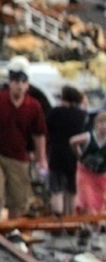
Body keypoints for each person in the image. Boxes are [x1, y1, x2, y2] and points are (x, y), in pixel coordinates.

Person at [0, 56, 48, 221]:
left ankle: (13, 230)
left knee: (19, 200)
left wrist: (41, 159)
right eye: (15, 81)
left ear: (27, 85)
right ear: (9, 82)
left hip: (19, 157)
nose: (18, 85)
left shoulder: (33, 107)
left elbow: (39, 134)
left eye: (22, 82)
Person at [47, 86, 88, 216]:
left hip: (56, 153)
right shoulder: (81, 115)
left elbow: (46, 130)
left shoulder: (54, 112)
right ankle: (72, 219)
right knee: (72, 189)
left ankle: (58, 219)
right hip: (74, 154)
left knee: (56, 189)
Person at [72, 110, 106, 214]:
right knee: (88, 198)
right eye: (101, 123)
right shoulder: (89, 136)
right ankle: (92, 221)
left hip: (101, 174)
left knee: (100, 199)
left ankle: (97, 222)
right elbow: (73, 141)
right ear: (96, 124)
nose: (104, 126)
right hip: (86, 172)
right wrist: (79, 155)